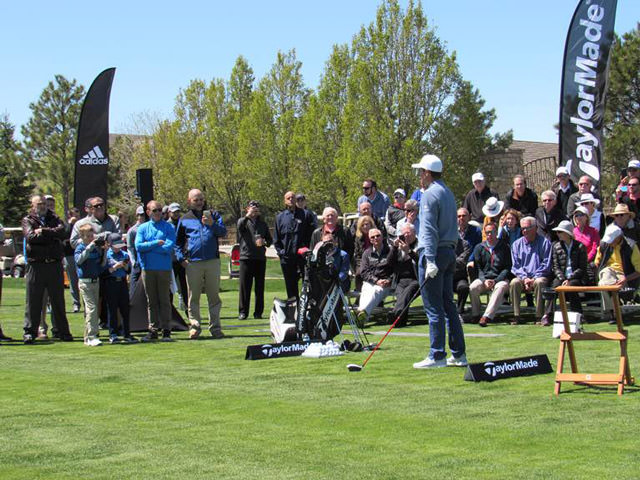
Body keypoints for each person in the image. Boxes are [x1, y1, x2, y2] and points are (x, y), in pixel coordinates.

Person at [411, 154, 467, 369]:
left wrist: (430, 259)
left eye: (420, 172)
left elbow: (429, 229)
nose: (419, 177)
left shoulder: (429, 194)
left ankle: (437, 355)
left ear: (427, 173)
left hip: (433, 253)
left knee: (434, 307)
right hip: (449, 252)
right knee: (448, 305)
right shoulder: (448, 193)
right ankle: (459, 354)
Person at [175, 189, 227, 340]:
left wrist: (212, 224)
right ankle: (195, 327)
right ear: (189, 201)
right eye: (196, 200)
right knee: (193, 297)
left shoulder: (214, 215)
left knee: (214, 297)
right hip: (193, 264)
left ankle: (216, 328)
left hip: (212, 261)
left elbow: (223, 232)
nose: (199, 202)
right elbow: (177, 243)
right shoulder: (184, 219)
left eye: (201, 200)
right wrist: (181, 259)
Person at [22, 195, 73, 344]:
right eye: (39, 204)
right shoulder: (27, 220)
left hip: (54, 264)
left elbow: (63, 232)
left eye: (44, 204)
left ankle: (63, 331)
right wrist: (51, 235)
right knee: (33, 300)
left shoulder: (54, 218)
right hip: (36, 264)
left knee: (58, 300)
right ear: (32, 205)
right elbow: (31, 237)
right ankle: (30, 332)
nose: (43, 206)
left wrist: (43, 231)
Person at [136, 200, 177, 342]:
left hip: (164, 269)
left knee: (165, 300)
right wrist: (155, 243)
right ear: (148, 212)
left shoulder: (169, 227)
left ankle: (166, 330)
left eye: (160, 210)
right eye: (155, 210)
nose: (158, 213)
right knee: (151, 301)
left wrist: (151, 248)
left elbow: (168, 247)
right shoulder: (142, 228)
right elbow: (138, 246)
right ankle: (153, 330)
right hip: (148, 268)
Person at [509, 216, 552, 325]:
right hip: (523, 278)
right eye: (522, 228)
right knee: (514, 282)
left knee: (539, 282)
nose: (524, 231)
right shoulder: (516, 245)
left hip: (539, 276)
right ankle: (516, 315)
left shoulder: (545, 243)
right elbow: (515, 266)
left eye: (527, 228)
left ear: (535, 228)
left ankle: (539, 316)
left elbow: (546, 264)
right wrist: (525, 278)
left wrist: (533, 278)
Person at [595, 224, 640, 324]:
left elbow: (638, 271)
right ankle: (616, 312)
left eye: (612, 240)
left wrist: (626, 279)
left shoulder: (631, 246)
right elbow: (597, 262)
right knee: (605, 281)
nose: (609, 243)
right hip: (608, 270)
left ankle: (613, 313)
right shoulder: (604, 244)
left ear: (619, 237)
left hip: (625, 273)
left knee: (607, 285)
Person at [469, 222, 512, 327]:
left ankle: (486, 316)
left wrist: (496, 280)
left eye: (492, 232)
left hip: (500, 279)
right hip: (484, 279)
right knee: (473, 287)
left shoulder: (504, 247)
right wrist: (484, 280)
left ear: (496, 232)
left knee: (500, 287)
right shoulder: (479, 247)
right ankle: (476, 314)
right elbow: (478, 268)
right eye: (487, 232)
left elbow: (507, 267)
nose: (489, 235)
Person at [273, 190, 314, 300]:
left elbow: (312, 235)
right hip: (287, 258)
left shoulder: (305, 215)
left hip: (302, 257)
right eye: (288, 198)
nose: (291, 199)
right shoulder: (280, 217)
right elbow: (276, 239)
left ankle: (307, 309)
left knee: (308, 284)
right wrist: (281, 253)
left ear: (295, 199)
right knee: (290, 286)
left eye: (292, 197)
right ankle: (293, 310)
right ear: (285, 201)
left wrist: (307, 250)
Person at [543, 221, 588, 320]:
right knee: (554, 286)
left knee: (571, 286)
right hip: (561, 277)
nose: (557, 234)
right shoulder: (556, 246)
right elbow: (555, 266)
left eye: (560, 232)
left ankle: (578, 314)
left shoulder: (580, 247)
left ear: (567, 233)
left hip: (576, 277)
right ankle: (548, 314)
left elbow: (582, 268)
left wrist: (569, 278)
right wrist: (563, 278)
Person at [236, 200, 272, 320]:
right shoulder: (243, 221)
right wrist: (248, 215)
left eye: (256, 209)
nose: (254, 211)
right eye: (252, 208)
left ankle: (258, 313)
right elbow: (239, 227)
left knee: (259, 287)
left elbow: (270, 240)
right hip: (246, 258)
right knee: (244, 287)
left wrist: (264, 242)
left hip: (260, 258)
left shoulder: (262, 224)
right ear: (247, 209)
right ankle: (243, 312)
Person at [75, 223, 108, 346]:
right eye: (87, 236)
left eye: (91, 235)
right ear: (82, 236)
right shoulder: (80, 248)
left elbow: (102, 264)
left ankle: (87, 337)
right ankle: (92, 336)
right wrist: (89, 247)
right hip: (85, 282)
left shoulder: (95, 249)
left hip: (96, 281)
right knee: (91, 309)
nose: (90, 238)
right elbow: (79, 260)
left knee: (93, 310)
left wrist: (105, 252)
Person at [104, 233, 136, 343]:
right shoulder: (106, 255)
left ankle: (127, 333)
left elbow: (128, 270)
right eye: (115, 246)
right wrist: (114, 267)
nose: (118, 248)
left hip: (122, 283)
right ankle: (113, 334)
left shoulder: (125, 254)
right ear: (109, 244)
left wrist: (126, 266)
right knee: (112, 309)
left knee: (125, 309)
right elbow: (104, 272)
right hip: (111, 283)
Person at [356, 228, 393, 323]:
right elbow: (363, 272)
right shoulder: (366, 253)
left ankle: (361, 314)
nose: (375, 238)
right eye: (373, 237)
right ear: (370, 240)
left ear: (382, 237)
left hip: (386, 284)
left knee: (376, 291)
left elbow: (396, 269)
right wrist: (376, 280)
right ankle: (362, 317)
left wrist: (389, 280)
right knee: (366, 292)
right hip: (370, 281)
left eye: (378, 236)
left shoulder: (391, 251)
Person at [167, 202, 188, 313]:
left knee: (185, 287)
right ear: (169, 212)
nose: (176, 214)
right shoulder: (166, 225)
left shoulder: (183, 224)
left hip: (182, 260)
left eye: (178, 212)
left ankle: (188, 312)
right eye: (174, 212)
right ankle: (169, 312)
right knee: (170, 288)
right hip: (171, 260)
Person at [63, 207, 81, 313]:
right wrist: (70, 224)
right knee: (73, 281)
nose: (77, 218)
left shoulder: (82, 225)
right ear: (70, 216)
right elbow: (64, 237)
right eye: (75, 215)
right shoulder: (66, 226)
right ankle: (76, 304)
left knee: (83, 280)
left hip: (81, 254)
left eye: (78, 216)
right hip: (69, 256)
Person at [126, 206, 146, 298]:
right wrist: (133, 261)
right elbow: (129, 247)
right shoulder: (132, 230)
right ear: (136, 215)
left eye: (143, 214)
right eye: (140, 215)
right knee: (133, 288)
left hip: (147, 261)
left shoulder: (148, 227)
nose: (141, 216)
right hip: (137, 262)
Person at [351, 215, 374, 291]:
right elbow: (357, 255)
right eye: (363, 225)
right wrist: (362, 264)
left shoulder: (376, 235)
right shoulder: (358, 238)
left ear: (371, 225)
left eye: (367, 224)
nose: (365, 226)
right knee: (358, 274)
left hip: (375, 260)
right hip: (362, 262)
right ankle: (359, 294)